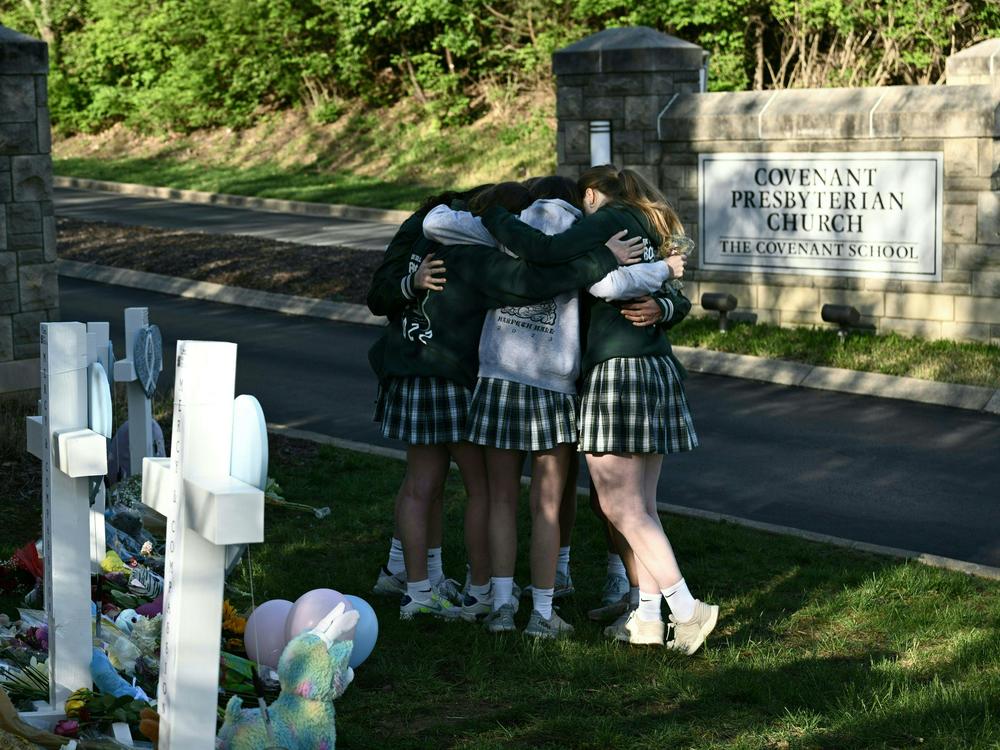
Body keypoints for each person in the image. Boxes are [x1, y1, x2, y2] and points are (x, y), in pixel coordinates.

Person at [370, 181, 643, 621]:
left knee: (433, 486)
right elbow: (532, 280)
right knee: (506, 495)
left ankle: (435, 591)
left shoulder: (457, 234)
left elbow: (421, 241)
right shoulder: (499, 254)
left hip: (443, 371)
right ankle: (498, 598)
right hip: (482, 379)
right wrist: (602, 259)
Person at [476, 166, 719, 654]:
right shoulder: (651, 223)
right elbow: (672, 296)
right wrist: (664, 296)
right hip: (655, 369)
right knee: (643, 507)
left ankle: (688, 609)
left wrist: (496, 215)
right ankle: (648, 619)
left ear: (590, 195)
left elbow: (547, 253)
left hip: (616, 372)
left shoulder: (605, 219)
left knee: (620, 505)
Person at [423, 176, 678, 638]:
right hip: (553, 386)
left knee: (501, 497)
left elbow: (436, 222)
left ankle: (501, 604)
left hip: (498, 377)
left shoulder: (507, 229)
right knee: (546, 504)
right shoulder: (586, 236)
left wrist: (488, 213)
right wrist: (667, 273)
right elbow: (618, 282)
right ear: (579, 201)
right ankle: (542, 612)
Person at [366, 187, 493, 606]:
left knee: (426, 484)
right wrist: (411, 282)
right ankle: (463, 588)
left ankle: (422, 584)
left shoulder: (431, 229)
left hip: (419, 368)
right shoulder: (438, 232)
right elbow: (379, 294)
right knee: (469, 485)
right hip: (441, 371)